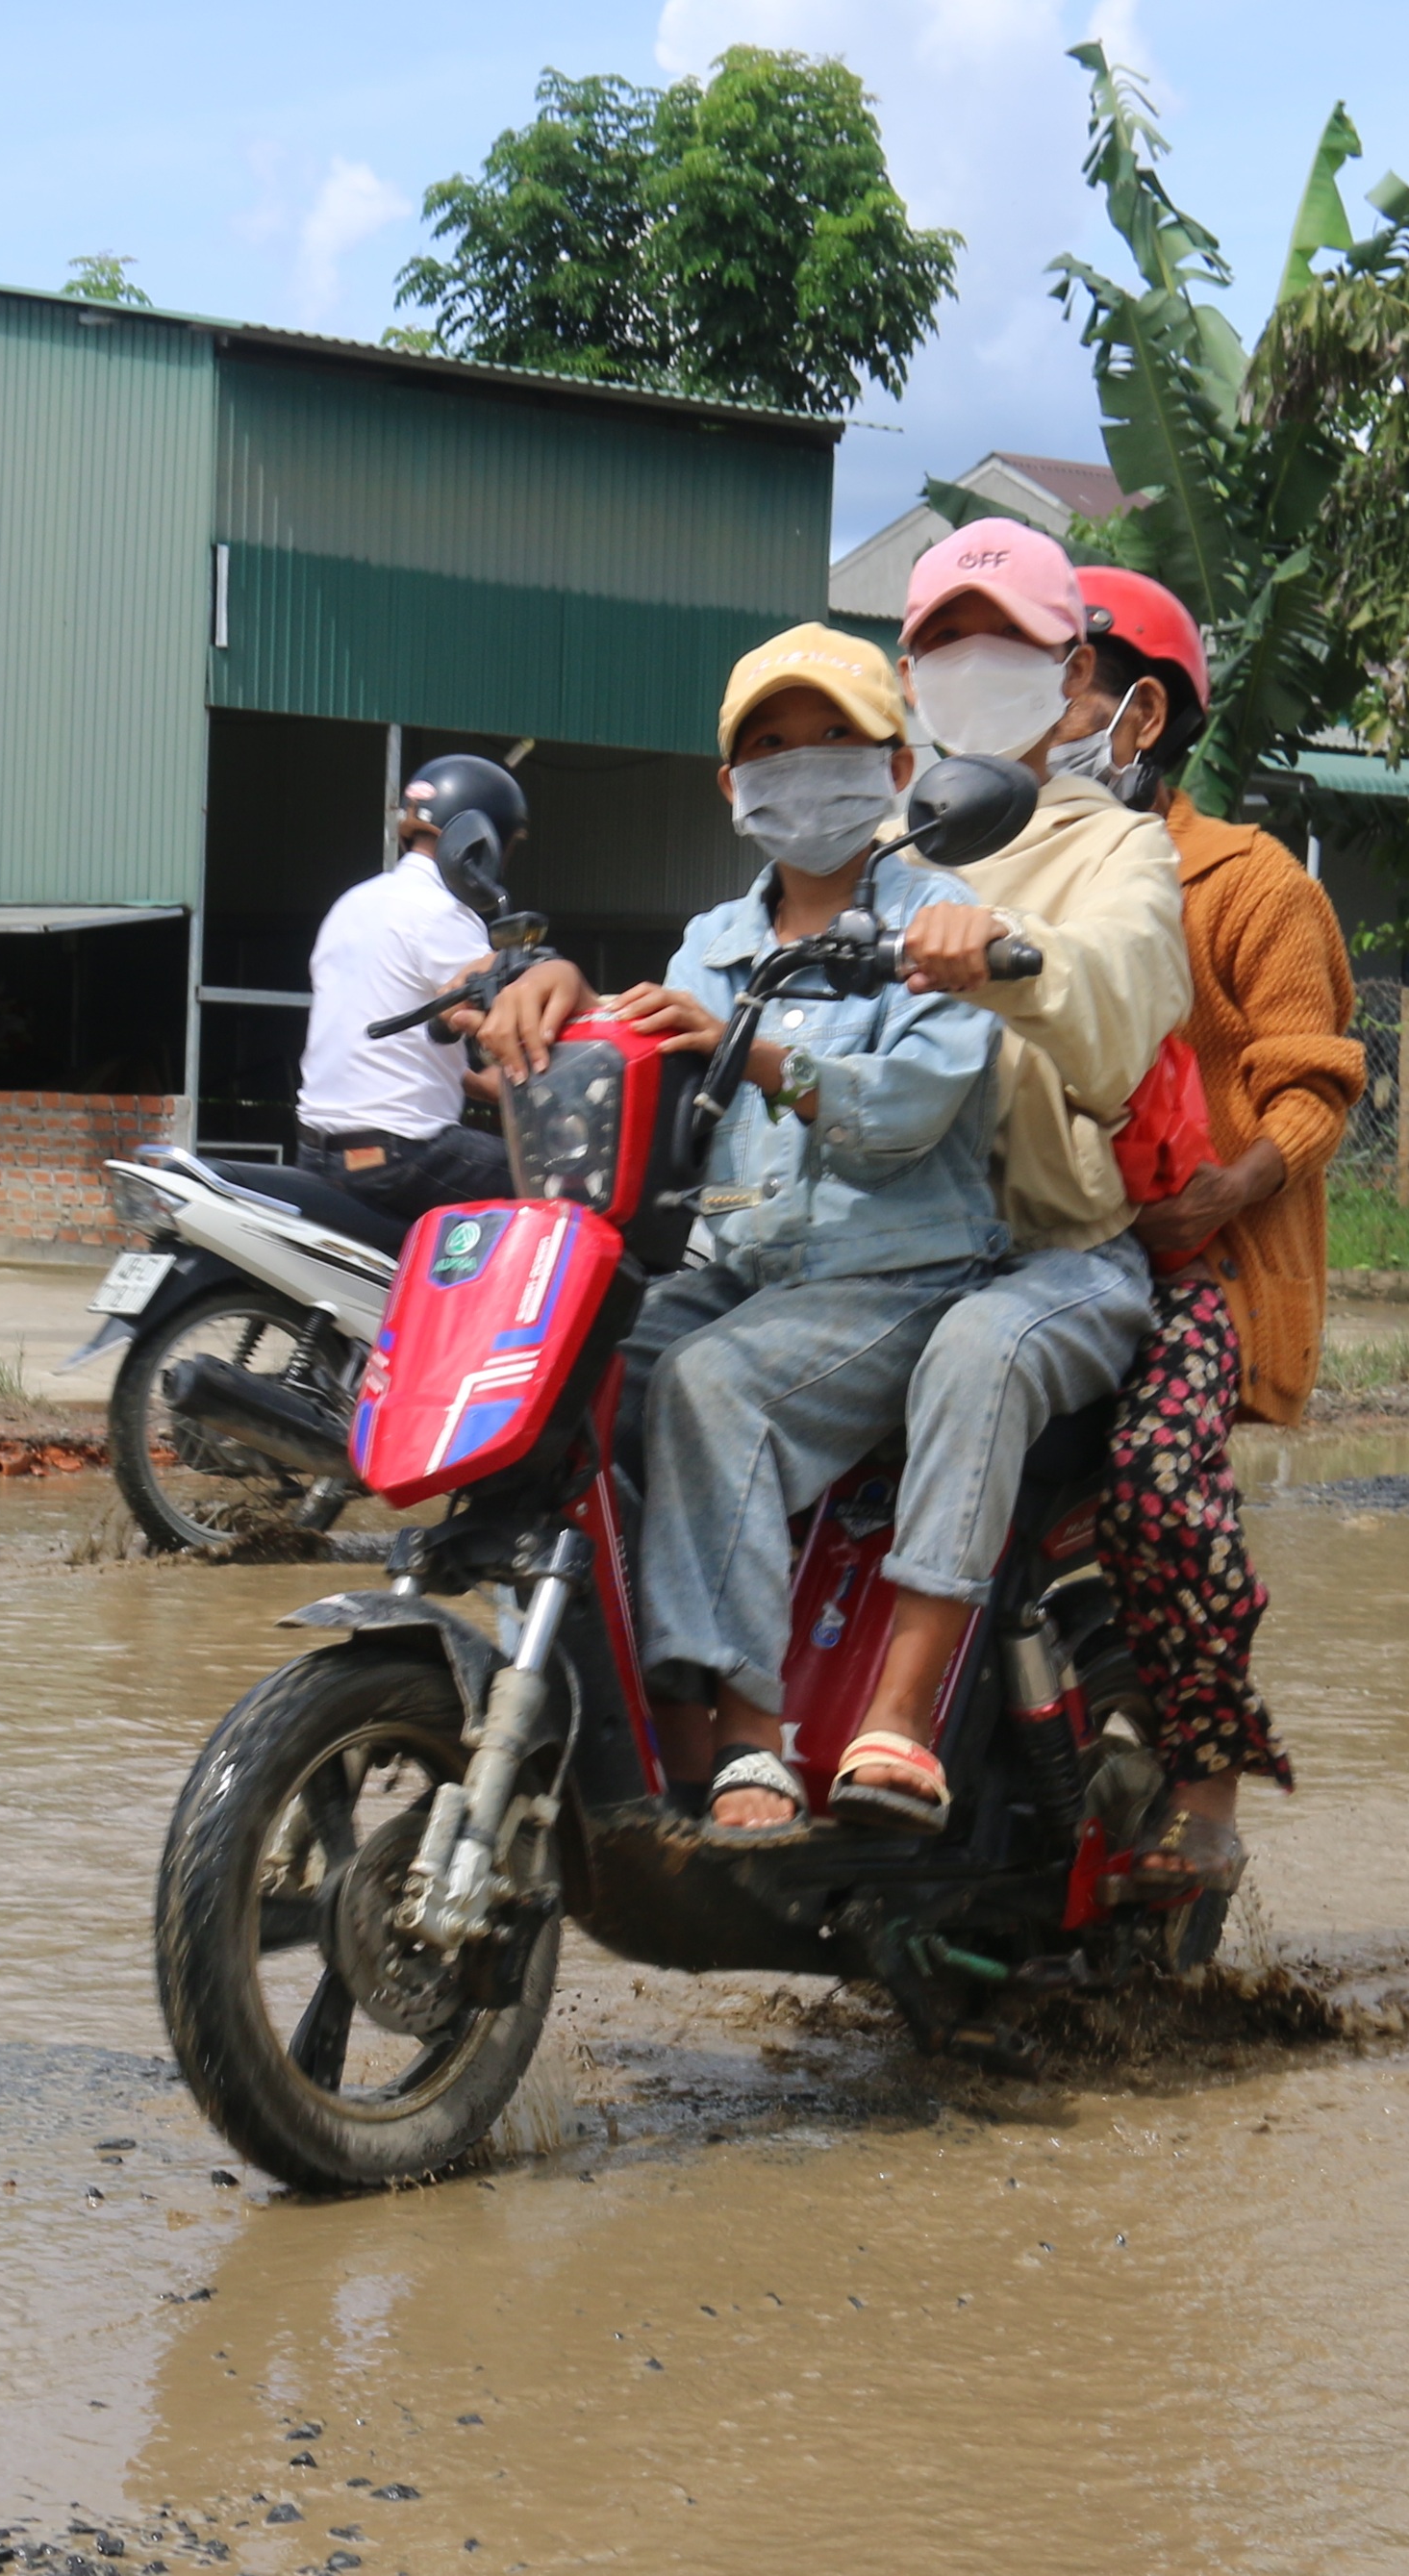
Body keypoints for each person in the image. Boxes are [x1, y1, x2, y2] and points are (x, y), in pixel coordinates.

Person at [475, 624, 1008, 1837]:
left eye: (834, 739)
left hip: (896, 1279)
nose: (802, 766)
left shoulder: (940, 920)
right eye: (769, 747)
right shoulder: (710, 944)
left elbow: (905, 1113)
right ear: (730, 787)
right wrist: (554, 997)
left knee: (713, 1386)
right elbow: (646, 1062)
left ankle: (747, 1737)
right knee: (561, 1378)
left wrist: (748, 1050)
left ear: (892, 764)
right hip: (738, 1275)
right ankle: (590, 1699)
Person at [817, 518, 1191, 1833]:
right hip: (882, 1245)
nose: (970, 670)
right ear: (909, 676)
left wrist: (1011, 954)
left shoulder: (1121, 852)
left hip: (1055, 1258)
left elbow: (1115, 1009)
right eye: (941, 647)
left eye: (1005, 646)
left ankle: (899, 1715)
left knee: (979, 1351)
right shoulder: (882, 848)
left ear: (1068, 667)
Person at [1075, 563, 1365, 1899]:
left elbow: (1315, 1081)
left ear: (1138, 716)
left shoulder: (1248, 887)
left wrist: (1229, 1189)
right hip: (1045, 1256)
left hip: (1205, 1262)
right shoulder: (987, 870)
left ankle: (1206, 1795)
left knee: (1157, 1490)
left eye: (1056, 673)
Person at [291, 751, 530, 1217]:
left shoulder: (352, 903)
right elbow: (501, 1024)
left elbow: (380, 1049)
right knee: (561, 1184)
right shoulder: (442, 912)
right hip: (401, 1158)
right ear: (484, 841)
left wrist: (477, 1083)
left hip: (317, 1152)